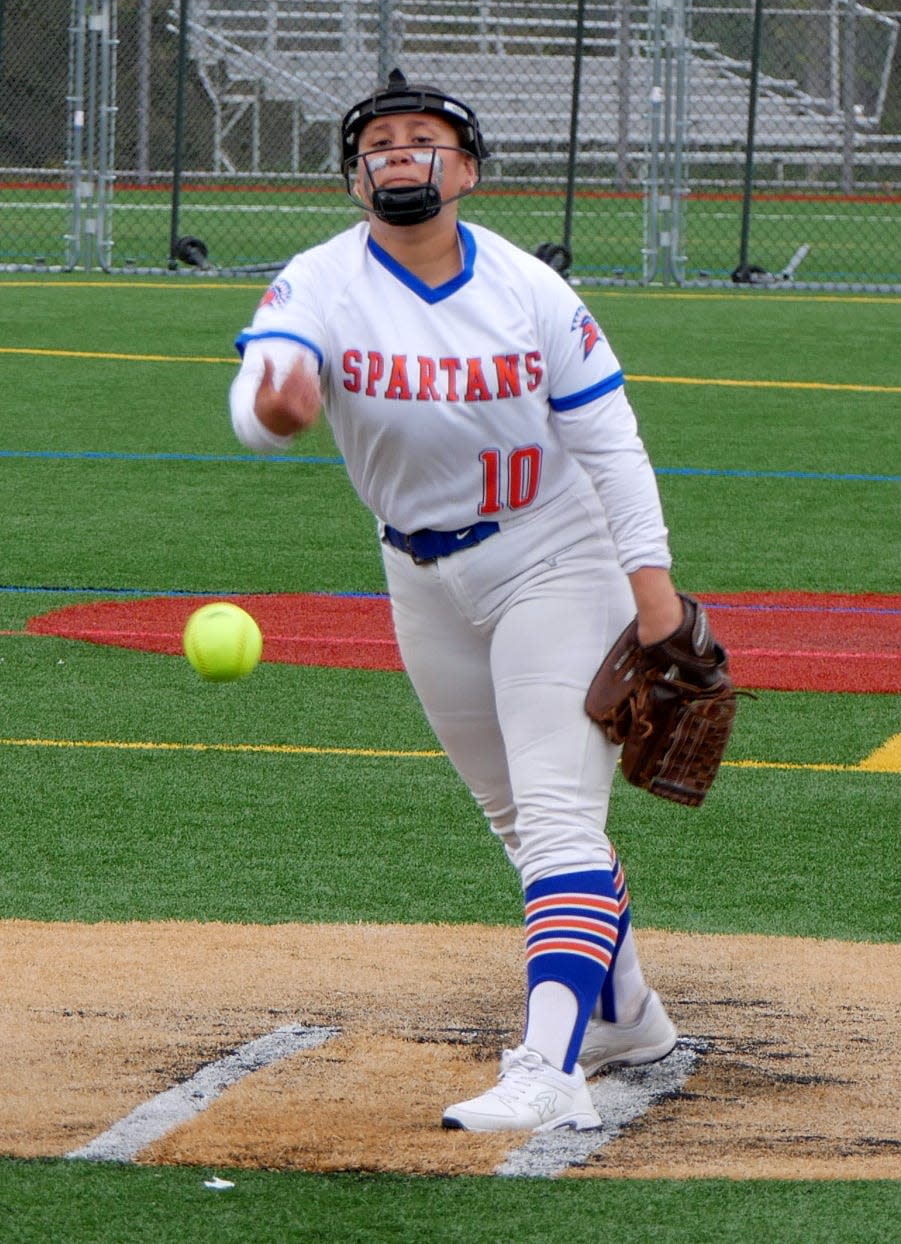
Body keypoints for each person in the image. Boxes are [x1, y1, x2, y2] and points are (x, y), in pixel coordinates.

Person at [229, 68, 679, 1133]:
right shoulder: (317, 280)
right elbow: (265, 394)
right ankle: (623, 1012)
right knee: (517, 814)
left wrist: (650, 588)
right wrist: (275, 406)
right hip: (419, 571)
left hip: (553, 555)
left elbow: (609, 442)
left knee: (562, 812)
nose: (398, 151)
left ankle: (549, 1062)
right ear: (354, 179)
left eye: (423, 137)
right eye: (378, 141)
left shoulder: (529, 288)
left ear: (466, 169)